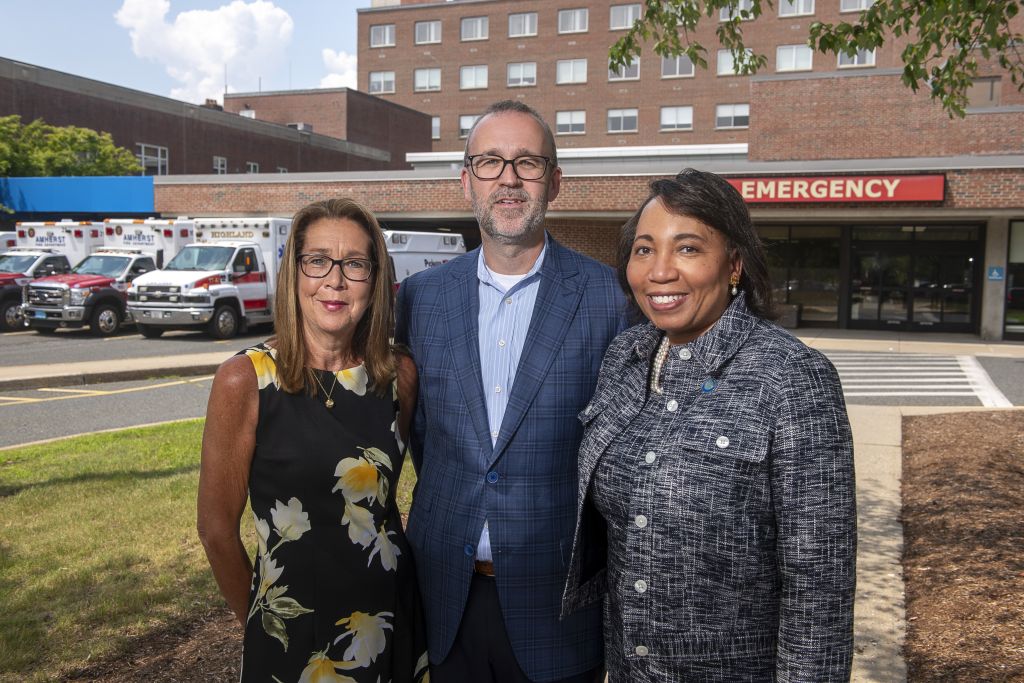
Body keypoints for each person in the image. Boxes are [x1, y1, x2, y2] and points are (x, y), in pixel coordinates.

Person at [561, 168, 857, 681]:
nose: (660, 272)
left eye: (689, 249)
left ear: (735, 264)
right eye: (644, 249)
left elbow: (819, 584)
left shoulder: (790, 377)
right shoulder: (626, 355)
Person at [395, 100, 627, 683]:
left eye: (526, 162)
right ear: (465, 180)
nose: (508, 178)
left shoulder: (611, 299)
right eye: (489, 161)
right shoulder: (420, 297)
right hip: (445, 594)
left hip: (558, 608)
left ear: (555, 181)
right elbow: (422, 436)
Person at [197, 198, 428, 682]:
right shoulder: (245, 381)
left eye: (355, 264)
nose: (335, 280)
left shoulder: (398, 375)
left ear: (375, 278)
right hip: (287, 639)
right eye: (318, 260)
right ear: (294, 273)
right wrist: (261, 624)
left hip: (387, 627)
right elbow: (216, 530)